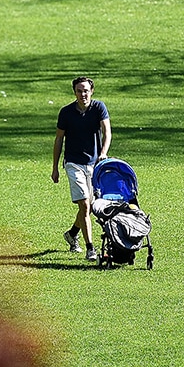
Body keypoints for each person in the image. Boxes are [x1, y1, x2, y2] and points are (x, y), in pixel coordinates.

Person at [51, 76, 111, 262]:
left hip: (94, 163)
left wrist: (103, 152)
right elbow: (59, 139)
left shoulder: (99, 108)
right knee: (84, 205)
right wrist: (55, 167)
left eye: (85, 90)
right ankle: (90, 248)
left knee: (91, 207)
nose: (83, 94)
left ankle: (72, 233)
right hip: (73, 163)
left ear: (91, 91)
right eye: (79, 91)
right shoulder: (66, 113)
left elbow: (107, 132)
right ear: (74, 92)